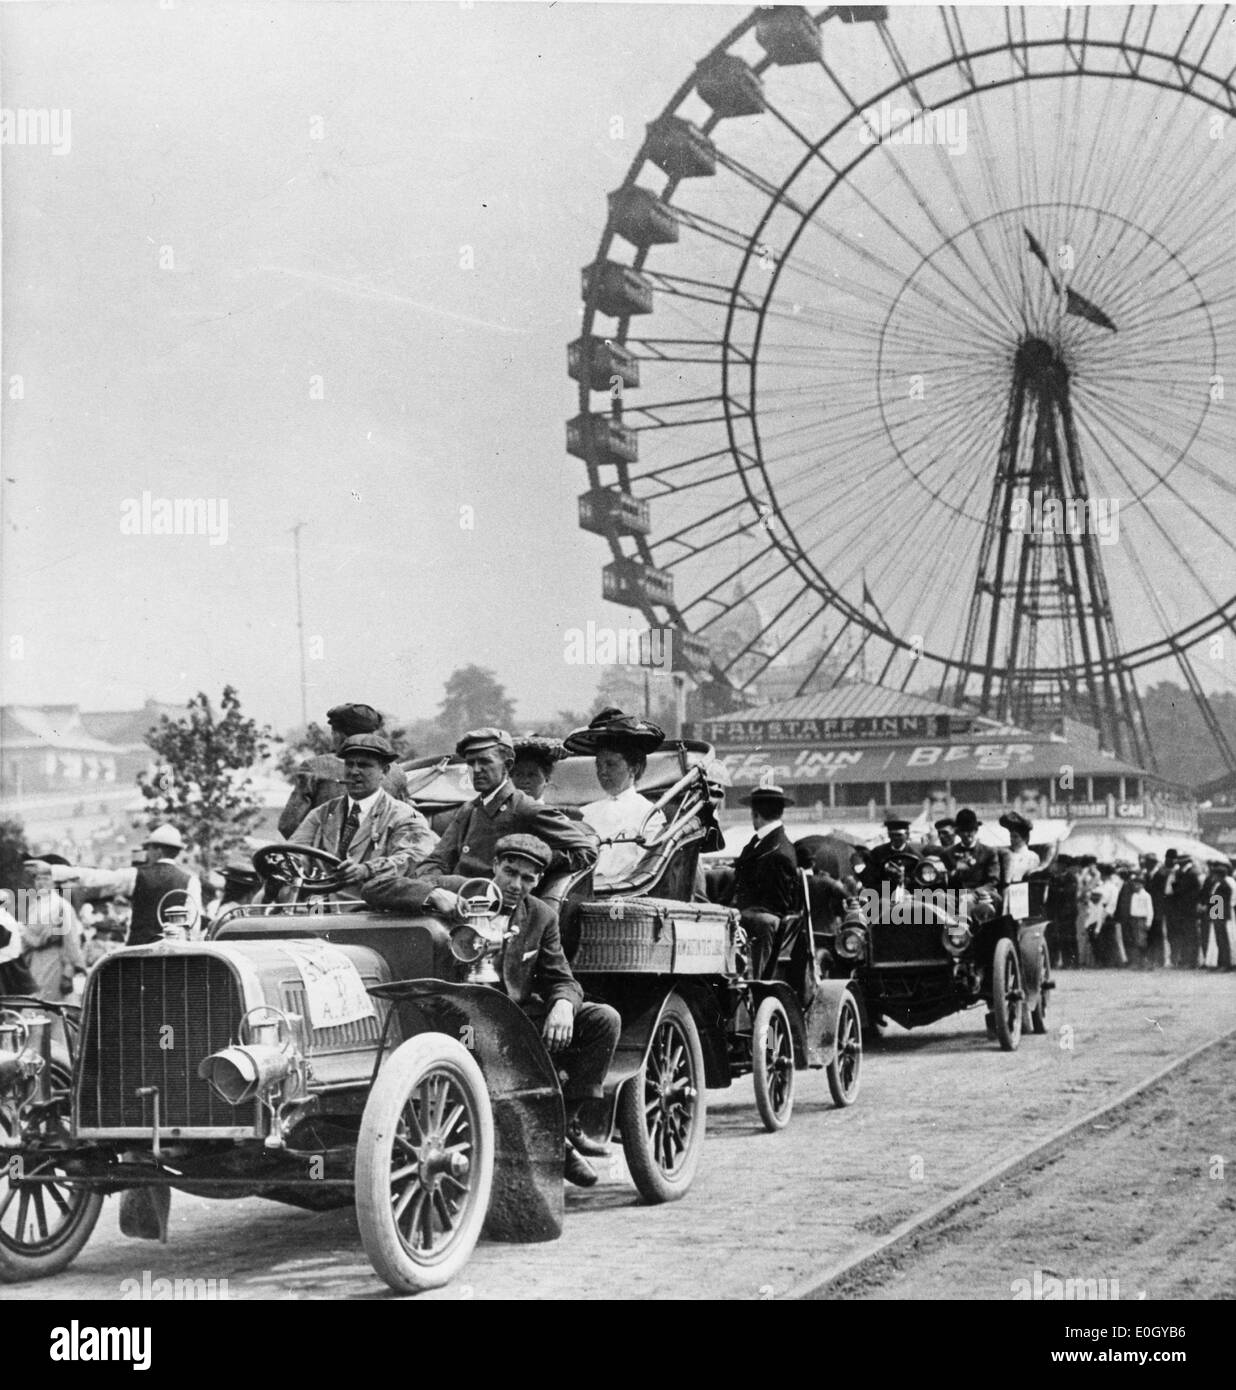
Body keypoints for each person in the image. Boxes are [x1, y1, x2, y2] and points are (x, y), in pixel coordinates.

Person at [484, 834, 621, 1188]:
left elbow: (562, 978)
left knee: (603, 1019)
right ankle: (552, 1142)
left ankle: (561, 1125)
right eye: (510, 872)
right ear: (494, 866)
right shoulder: (463, 894)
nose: (516, 885)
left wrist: (562, 1004)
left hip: (519, 1020)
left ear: (539, 881)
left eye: (528, 879)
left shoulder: (541, 916)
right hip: (468, 1020)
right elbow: (387, 887)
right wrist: (432, 894)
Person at [363, 728, 598, 914]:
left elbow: (585, 851)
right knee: (374, 888)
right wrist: (430, 885)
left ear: (507, 766)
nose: (476, 770)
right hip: (450, 898)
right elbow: (437, 858)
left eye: (485, 762)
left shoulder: (525, 808)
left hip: (488, 907)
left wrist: (532, 861)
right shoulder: (470, 808)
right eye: (471, 763)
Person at [289, 733, 436, 893]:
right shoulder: (323, 813)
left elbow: (415, 856)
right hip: (319, 908)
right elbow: (295, 851)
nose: (354, 771)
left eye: (364, 765)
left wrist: (367, 869)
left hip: (372, 909)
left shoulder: (404, 815)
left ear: (384, 771)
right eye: (349, 764)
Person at [34, 826, 202, 947]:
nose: (146, 853)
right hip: (177, 952)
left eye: (149, 849)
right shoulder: (191, 880)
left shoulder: (137, 874)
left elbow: (98, 877)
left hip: (139, 950)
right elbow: (194, 925)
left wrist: (53, 870)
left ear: (157, 851)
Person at [278, 702, 410, 839]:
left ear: (339, 735)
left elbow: (288, 825)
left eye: (333, 732)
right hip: (380, 856)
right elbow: (405, 823)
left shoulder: (314, 767)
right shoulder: (396, 772)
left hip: (325, 857)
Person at [568, 709, 667, 888]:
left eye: (611, 764)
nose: (602, 772)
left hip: (625, 893)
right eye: (599, 765)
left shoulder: (648, 813)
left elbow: (646, 867)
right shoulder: (587, 813)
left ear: (634, 768)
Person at [723, 785, 800, 979]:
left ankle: (753, 984)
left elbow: (776, 907)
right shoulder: (764, 843)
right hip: (750, 917)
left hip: (760, 924)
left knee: (760, 922)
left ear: (755, 813)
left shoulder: (777, 850)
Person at [17, 857, 87, 1004]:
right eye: (38, 879)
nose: (41, 883)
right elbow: (25, 935)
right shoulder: (33, 906)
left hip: (55, 959)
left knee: (52, 1005)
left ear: (54, 882)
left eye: (46, 879)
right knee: (34, 1003)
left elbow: (71, 940)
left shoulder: (62, 906)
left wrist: (68, 970)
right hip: (34, 961)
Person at [858, 817, 922, 892]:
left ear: (907, 835)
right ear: (888, 835)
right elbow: (869, 877)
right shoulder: (877, 853)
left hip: (909, 894)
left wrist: (905, 879)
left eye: (899, 835)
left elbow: (920, 880)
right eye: (892, 835)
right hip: (883, 893)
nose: (895, 838)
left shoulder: (916, 856)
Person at [1164, 853, 1204, 969]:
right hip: (1183, 909)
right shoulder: (1185, 873)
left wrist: (1174, 884)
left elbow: (1180, 890)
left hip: (1188, 909)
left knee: (1190, 935)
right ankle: (1186, 960)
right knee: (1185, 935)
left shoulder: (1191, 873)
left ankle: (1191, 961)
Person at [944, 809, 1000, 890]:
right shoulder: (949, 853)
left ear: (976, 830)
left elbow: (993, 880)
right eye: (964, 830)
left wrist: (975, 893)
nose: (969, 834)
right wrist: (955, 870)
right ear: (958, 832)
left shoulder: (989, 852)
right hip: (957, 896)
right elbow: (948, 881)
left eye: (971, 829)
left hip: (982, 895)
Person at [509, 736, 568, 804]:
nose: (525, 781)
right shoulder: (501, 812)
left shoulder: (551, 813)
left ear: (546, 779)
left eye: (532, 775)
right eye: (519, 774)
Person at [1202, 859, 1234, 972]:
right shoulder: (1219, 885)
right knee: (1219, 940)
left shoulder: (1224, 886)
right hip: (1217, 915)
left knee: (1222, 940)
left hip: (1220, 915)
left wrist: (1215, 915)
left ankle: (1225, 964)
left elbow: (1218, 902)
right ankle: (1221, 962)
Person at [998, 811, 1042, 886]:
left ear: (1025, 838)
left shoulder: (1032, 857)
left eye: (1015, 837)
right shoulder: (1005, 853)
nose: (1011, 839)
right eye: (1011, 836)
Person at [1124, 872, 1154, 970]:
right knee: (1135, 941)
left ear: (1142, 885)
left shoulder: (1146, 896)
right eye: (1134, 884)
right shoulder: (1133, 895)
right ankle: (1138, 962)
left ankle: (1146, 961)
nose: (1136, 886)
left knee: (1141, 941)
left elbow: (1150, 910)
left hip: (1142, 919)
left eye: (1138, 884)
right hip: (1134, 919)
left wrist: (1148, 922)